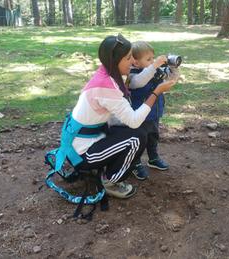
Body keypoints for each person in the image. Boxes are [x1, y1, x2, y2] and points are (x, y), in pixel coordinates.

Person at [53, 34, 177, 199]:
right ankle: (111, 181)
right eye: (128, 58)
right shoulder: (107, 87)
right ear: (115, 60)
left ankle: (107, 166)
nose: (133, 61)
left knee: (133, 129)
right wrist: (156, 92)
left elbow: (135, 86)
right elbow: (133, 121)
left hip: (82, 139)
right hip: (82, 153)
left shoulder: (106, 73)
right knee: (137, 136)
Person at [125, 41, 179, 180]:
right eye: (148, 59)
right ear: (135, 63)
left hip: (154, 113)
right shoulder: (131, 76)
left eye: (153, 58)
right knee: (138, 141)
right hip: (139, 116)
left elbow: (169, 77)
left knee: (153, 137)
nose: (152, 61)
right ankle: (135, 163)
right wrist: (155, 65)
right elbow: (140, 82)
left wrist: (173, 68)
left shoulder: (154, 70)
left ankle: (153, 158)